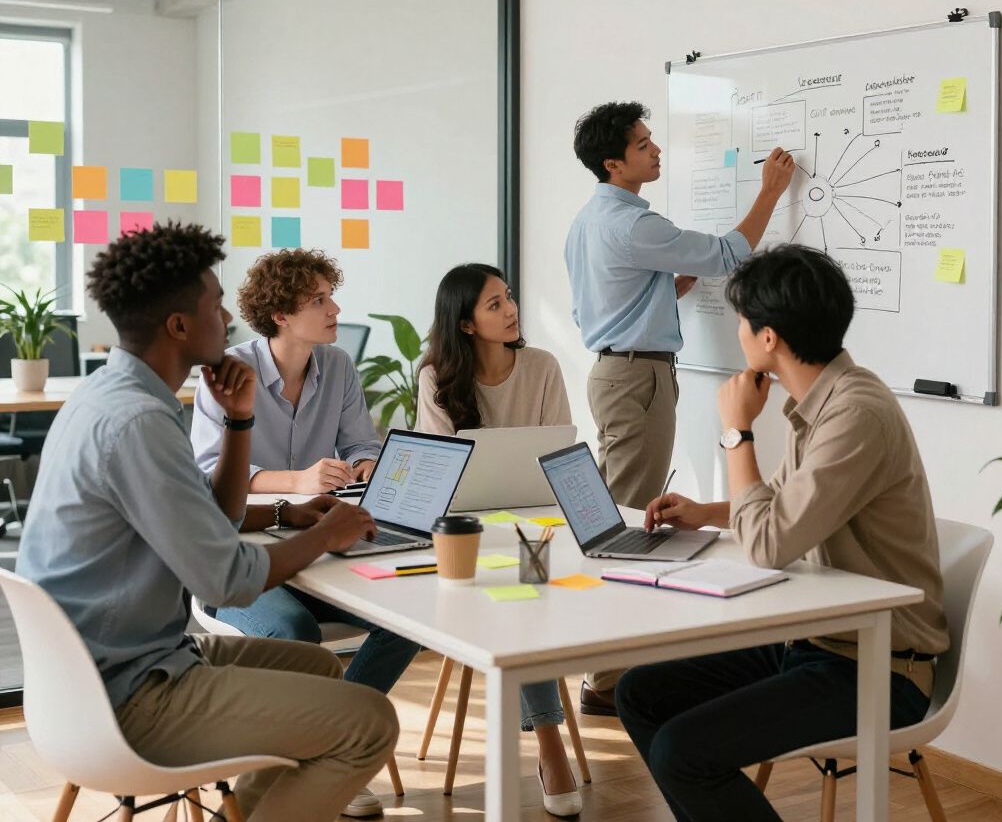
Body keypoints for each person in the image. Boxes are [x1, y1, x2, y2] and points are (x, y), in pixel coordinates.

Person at [17, 223, 398, 822]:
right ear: (179, 327)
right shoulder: (140, 423)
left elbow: (216, 517)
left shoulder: (109, 396)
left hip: (107, 669)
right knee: (369, 722)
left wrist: (239, 422)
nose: (227, 319)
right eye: (216, 306)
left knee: (323, 667)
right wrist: (327, 534)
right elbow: (227, 578)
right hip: (129, 692)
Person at [616, 245, 949, 822]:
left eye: (742, 320)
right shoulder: (821, 401)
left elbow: (770, 545)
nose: (739, 331)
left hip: (878, 666)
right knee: (640, 692)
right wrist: (705, 512)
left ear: (768, 337)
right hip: (819, 641)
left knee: (682, 752)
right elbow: (780, 510)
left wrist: (736, 431)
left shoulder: (856, 414)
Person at [565, 99, 794, 713]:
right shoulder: (633, 225)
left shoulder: (589, 221)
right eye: (643, 145)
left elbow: (599, 302)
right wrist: (770, 192)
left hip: (615, 372)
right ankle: (604, 679)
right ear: (614, 164)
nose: (657, 149)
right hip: (637, 378)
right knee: (625, 525)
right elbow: (726, 254)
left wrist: (662, 290)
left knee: (617, 512)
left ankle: (600, 665)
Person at [191, 249, 420, 819]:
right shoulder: (228, 372)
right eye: (319, 300)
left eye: (330, 296)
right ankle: (332, 752)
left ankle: (330, 748)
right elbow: (208, 473)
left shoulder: (337, 366)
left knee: (408, 618)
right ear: (281, 315)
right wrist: (296, 481)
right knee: (293, 632)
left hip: (317, 549)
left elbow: (361, 442)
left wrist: (365, 465)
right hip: (240, 560)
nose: (335, 309)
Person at [416, 263, 582, 818]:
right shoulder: (436, 377)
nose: (511, 309)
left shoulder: (542, 366)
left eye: (508, 297)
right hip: (467, 535)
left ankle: (548, 741)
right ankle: (551, 746)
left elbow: (559, 456)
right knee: (521, 589)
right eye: (494, 304)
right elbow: (440, 475)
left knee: (525, 585)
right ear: (465, 324)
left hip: (535, 525)